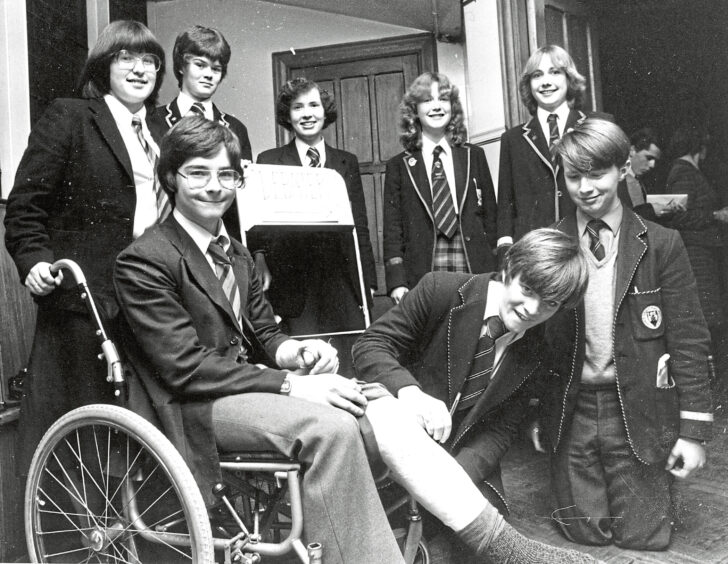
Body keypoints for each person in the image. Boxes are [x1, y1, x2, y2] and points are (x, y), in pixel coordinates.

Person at [115, 116, 600, 564]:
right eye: (198, 174)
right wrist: (292, 383)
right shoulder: (146, 259)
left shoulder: (236, 255)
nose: (214, 187)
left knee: (374, 404)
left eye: (226, 175)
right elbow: (183, 367)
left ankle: (454, 547)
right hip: (190, 404)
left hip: (243, 389)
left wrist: (296, 351)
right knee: (333, 429)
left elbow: (264, 333)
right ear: (170, 177)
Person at [354, 227, 592, 561]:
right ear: (509, 268)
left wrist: (446, 481)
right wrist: (409, 392)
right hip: (390, 452)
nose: (531, 310)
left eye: (550, 303)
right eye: (527, 289)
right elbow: (370, 345)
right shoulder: (442, 290)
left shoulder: (542, 345)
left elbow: (502, 429)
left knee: (471, 550)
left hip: (465, 462)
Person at [537, 117, 713, 550]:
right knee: (583, 536)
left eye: (598, 173)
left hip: (637, 409)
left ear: (623, 170)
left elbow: (689, 341)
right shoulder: (551, 243)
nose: (586, 187)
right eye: (574, 175)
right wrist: (538, 414)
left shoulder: (662, 243)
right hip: (573, 411)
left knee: (645, 537)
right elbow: (533, 345)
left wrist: (693, 432)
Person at [3, 20, 167, 474]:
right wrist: (34, 260)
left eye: (150, 61)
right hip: (84, 300)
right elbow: (25, 206)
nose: (140, 70)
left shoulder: (158, 131)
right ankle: (72, 539)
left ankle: (139, 534)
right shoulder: (72, 116)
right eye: (126, 58)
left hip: (146, 296)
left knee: (139, 428)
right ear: (104, 66)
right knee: (78, 433)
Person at [254, 77, 377, 370]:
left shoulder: (346, 161)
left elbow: (359, 223)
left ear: (326, 111)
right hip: (292, 282)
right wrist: (259, 258)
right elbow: (259, 223)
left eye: (313, 105)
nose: (307, 114)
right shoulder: (269, 159)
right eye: (298, 107)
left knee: (347, 361)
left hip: (340, 278)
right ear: (288, 115)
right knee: (304, 363)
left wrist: (368, 281)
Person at [383, 71, 497, 304]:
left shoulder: (474, 156)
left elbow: (491, 218)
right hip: (425, 266)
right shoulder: (399, 166)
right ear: (414, 110)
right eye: (427, 100)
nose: (436, 106)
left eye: (442, 99)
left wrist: (498, 272)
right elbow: (393, 228)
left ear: (452, 107)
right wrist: (397, 281)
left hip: (472, 262)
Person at [496, 45, 604, 260]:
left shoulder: (597, 125)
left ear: (569, 79)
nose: (546, 82)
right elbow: (505, 207)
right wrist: (505, 254)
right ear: (529, 85)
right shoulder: (512, 139)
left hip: (589, 246)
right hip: (534, 252)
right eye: (537, 75)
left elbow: (618, 196)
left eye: (555, 72)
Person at [152, 24, 251, 238]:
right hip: (167, 237)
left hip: (222, 238)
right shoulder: (153, 120)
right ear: (181, 67)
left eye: (216, 69)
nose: (209, 75)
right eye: (200, 65)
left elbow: (244, 198)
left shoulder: (236, 128)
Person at [663, 125, 728, 386]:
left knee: (710, 313)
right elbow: (677, 214)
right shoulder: (682, 171)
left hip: (704, 253)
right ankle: (706, 379)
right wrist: (716, 215)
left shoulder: (688, 171)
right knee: (706, 314)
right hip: (696, 254)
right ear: (699, 147)